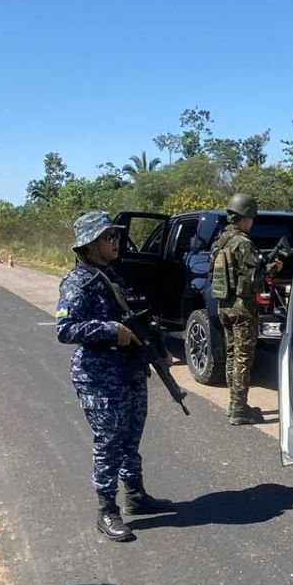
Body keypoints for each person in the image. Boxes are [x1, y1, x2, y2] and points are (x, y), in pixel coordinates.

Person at [56, 210, 173, 542]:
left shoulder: (115, 275)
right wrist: (110, 330)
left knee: (131, 437)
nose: (116, 242)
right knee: (109, 442)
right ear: (90, 244)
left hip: (131, 368)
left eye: (117, 236)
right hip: (100, 375)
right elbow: (65, 329)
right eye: (109, 237)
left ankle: (136, 495)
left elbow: (139, 313)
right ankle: (107, 510)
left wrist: (158, 346)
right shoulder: (77, 282)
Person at [209, 193, 282, 426]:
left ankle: (235, 405)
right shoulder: (243, 242)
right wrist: (273, 267)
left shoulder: (219, 240)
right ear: (245, 217)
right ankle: (239, 409)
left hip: (224, 306)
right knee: (243, 358)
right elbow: (253, 278)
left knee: (232, 355)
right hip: (243, 308)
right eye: (251, 218)